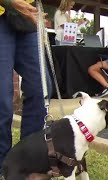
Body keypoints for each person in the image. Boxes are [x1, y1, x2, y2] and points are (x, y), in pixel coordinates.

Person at [0, 0, 51, 177]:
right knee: (2, 98)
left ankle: (27, 162)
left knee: (41, 89)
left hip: (27, 16)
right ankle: (3, 165)